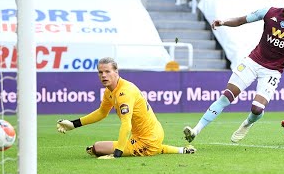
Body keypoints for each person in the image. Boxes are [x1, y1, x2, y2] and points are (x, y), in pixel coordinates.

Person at [183, 0, 284, 144]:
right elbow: (242, 20)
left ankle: (247, 123)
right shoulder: (269, 12)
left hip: (272, 71)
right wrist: (223, 22)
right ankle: (196, 130)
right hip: (253, 61)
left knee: (257, 109)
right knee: (227, 96)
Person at [56, 57, 196, 159]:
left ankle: (163, 148)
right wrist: (73, 124)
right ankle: (181, 150)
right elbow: (101, 113)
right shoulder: (109, 91)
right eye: (100, 72)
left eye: (107, 71)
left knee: (97, 148)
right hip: (150, 134)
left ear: (116, 72)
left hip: (148, 138)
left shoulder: (125, 92)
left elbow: (126, 124)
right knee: (97, 149)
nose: (103, 75)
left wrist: (117, 154)